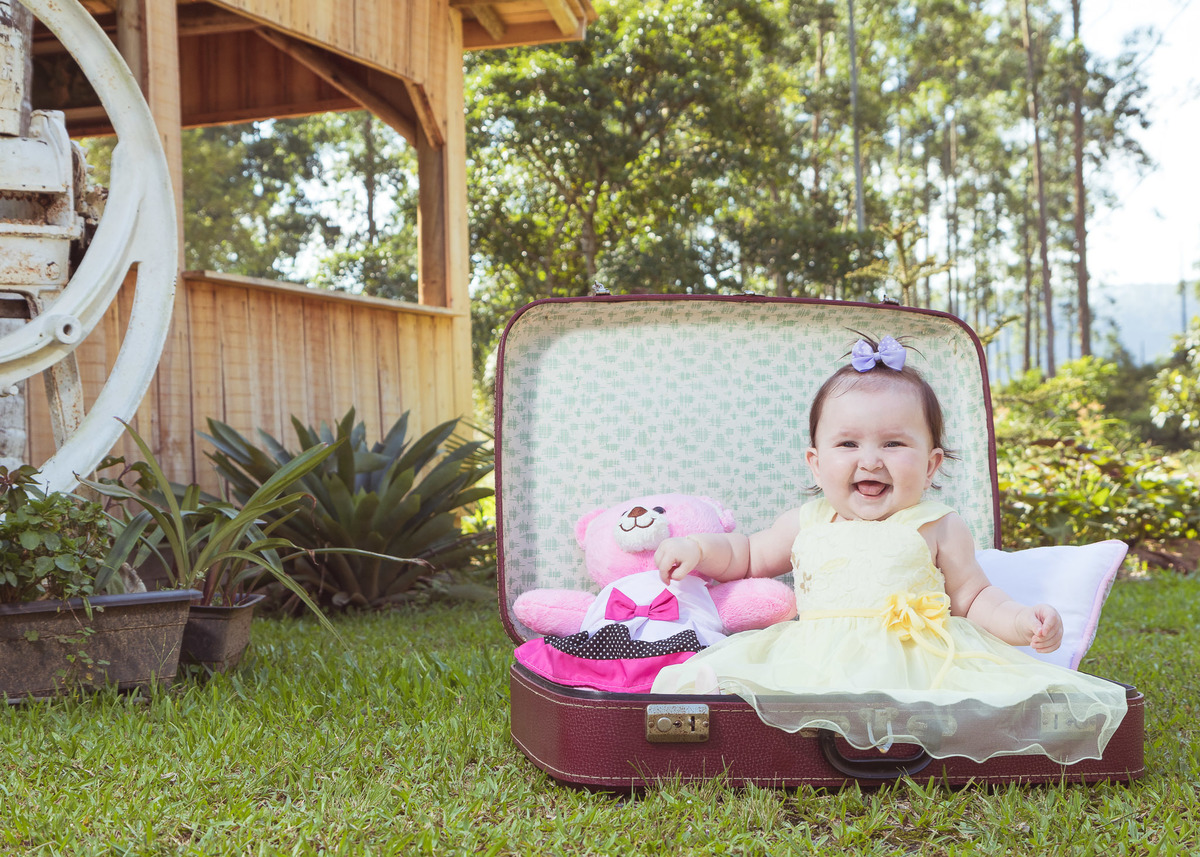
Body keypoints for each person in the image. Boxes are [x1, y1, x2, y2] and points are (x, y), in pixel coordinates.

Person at [649, 336, 1127, 763]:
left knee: (984, 698)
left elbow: (975, 597)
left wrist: (1021, 621)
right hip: (816, 658)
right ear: (816, 463)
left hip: (917, 660)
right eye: (848, 443)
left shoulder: (936, 524)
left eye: (894, 443)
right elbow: (748, 555)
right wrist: (698, 547)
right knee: (739, 684)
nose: (870, 460)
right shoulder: (807, 520)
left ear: (931, 464)